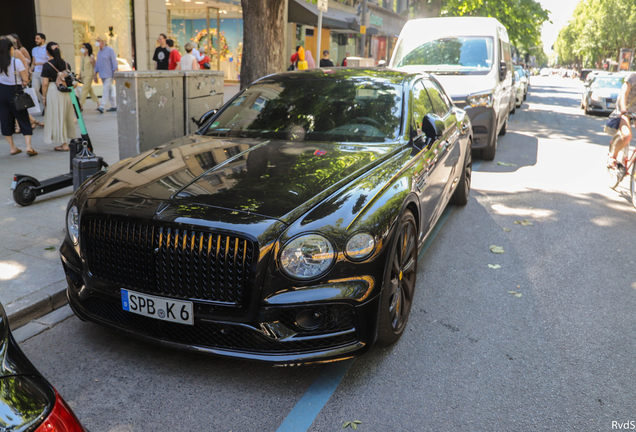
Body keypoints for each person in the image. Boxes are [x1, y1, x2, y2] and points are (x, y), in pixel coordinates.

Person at [0, 39, 36, 155]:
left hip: (2, 92)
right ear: (11, 49)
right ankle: (29, 147)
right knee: (23, 118)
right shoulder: (16, 62)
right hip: (15, 91)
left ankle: (12, 148)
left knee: (5, 119)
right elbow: (25, 80)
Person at [41, 41, 76, 151]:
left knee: (58, 116)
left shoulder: (47, 66)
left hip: (54, 91)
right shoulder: (66, 64)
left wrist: (44, 97)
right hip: (67, 92)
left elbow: (45, 83)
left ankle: (64, 144)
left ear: (47, 52)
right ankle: (69, 140)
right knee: (66, 116)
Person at [608, 72, 636, 168]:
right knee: (627, 135)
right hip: (625, 110)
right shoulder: (632, 77)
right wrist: (623, 109)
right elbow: (624, 93)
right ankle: (613, 156)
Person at [93, 36, 118, 113]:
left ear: (102, 42)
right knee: (109, 90)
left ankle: (102, 106)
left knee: (105, 90)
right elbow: (97, 63)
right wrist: (95, 73)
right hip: (102, 74)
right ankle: (114, 105)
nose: (97, 42)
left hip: (109, 74)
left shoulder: (110, 50)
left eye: (98, 41)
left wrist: (115, 71)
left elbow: (114, 61)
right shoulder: (99, 52)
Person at [79, 42, 98, 108]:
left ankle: (80, 104)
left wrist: (95, 76)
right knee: (89, 89)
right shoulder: (82, 56)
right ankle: (98, 102)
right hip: (83, 75)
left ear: (87, 49)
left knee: (84, 89)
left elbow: (95, 67)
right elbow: (81, 66)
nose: (82, 49)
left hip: (89, 75)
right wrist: (79, 75)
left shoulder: (91, 57)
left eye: (84, 47)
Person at [30, 33, 47, 107]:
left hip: (44, 72)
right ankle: (44, 105)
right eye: (35, 38)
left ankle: (46, 105)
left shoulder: (47, 48)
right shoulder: (34, 49)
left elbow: (49, 62)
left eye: (38, 38)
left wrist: (39, 63)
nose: (35, 40)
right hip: (36, 72)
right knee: (34, 90)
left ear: (43, 40)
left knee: (45, 91)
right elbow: (33, 62)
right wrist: (30, 70)